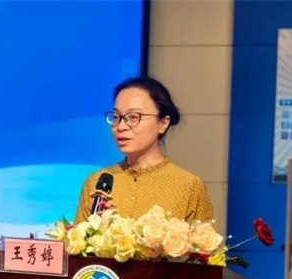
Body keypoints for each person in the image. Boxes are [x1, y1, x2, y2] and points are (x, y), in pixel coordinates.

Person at [74, 77, 214, 224]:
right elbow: (77, 238)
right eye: (116, 117)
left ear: (163, 123)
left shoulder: (188, 186)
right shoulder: (96, 182)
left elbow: (204, 238)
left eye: (133, 117)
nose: (121, 126)